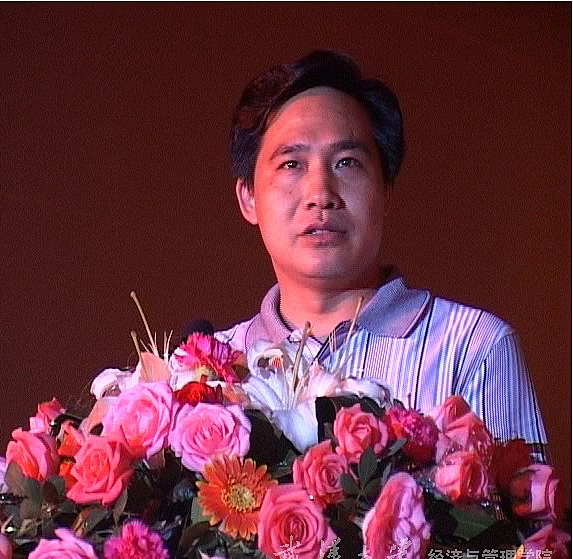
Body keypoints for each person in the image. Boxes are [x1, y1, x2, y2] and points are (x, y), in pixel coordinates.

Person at [215, 50, 548, 459]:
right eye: (291, 165)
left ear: (386, 189)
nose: (321, 194)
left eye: (346, 162)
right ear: (248, 197)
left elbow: (524, 500)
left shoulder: (474, 348)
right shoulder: (208, 371)